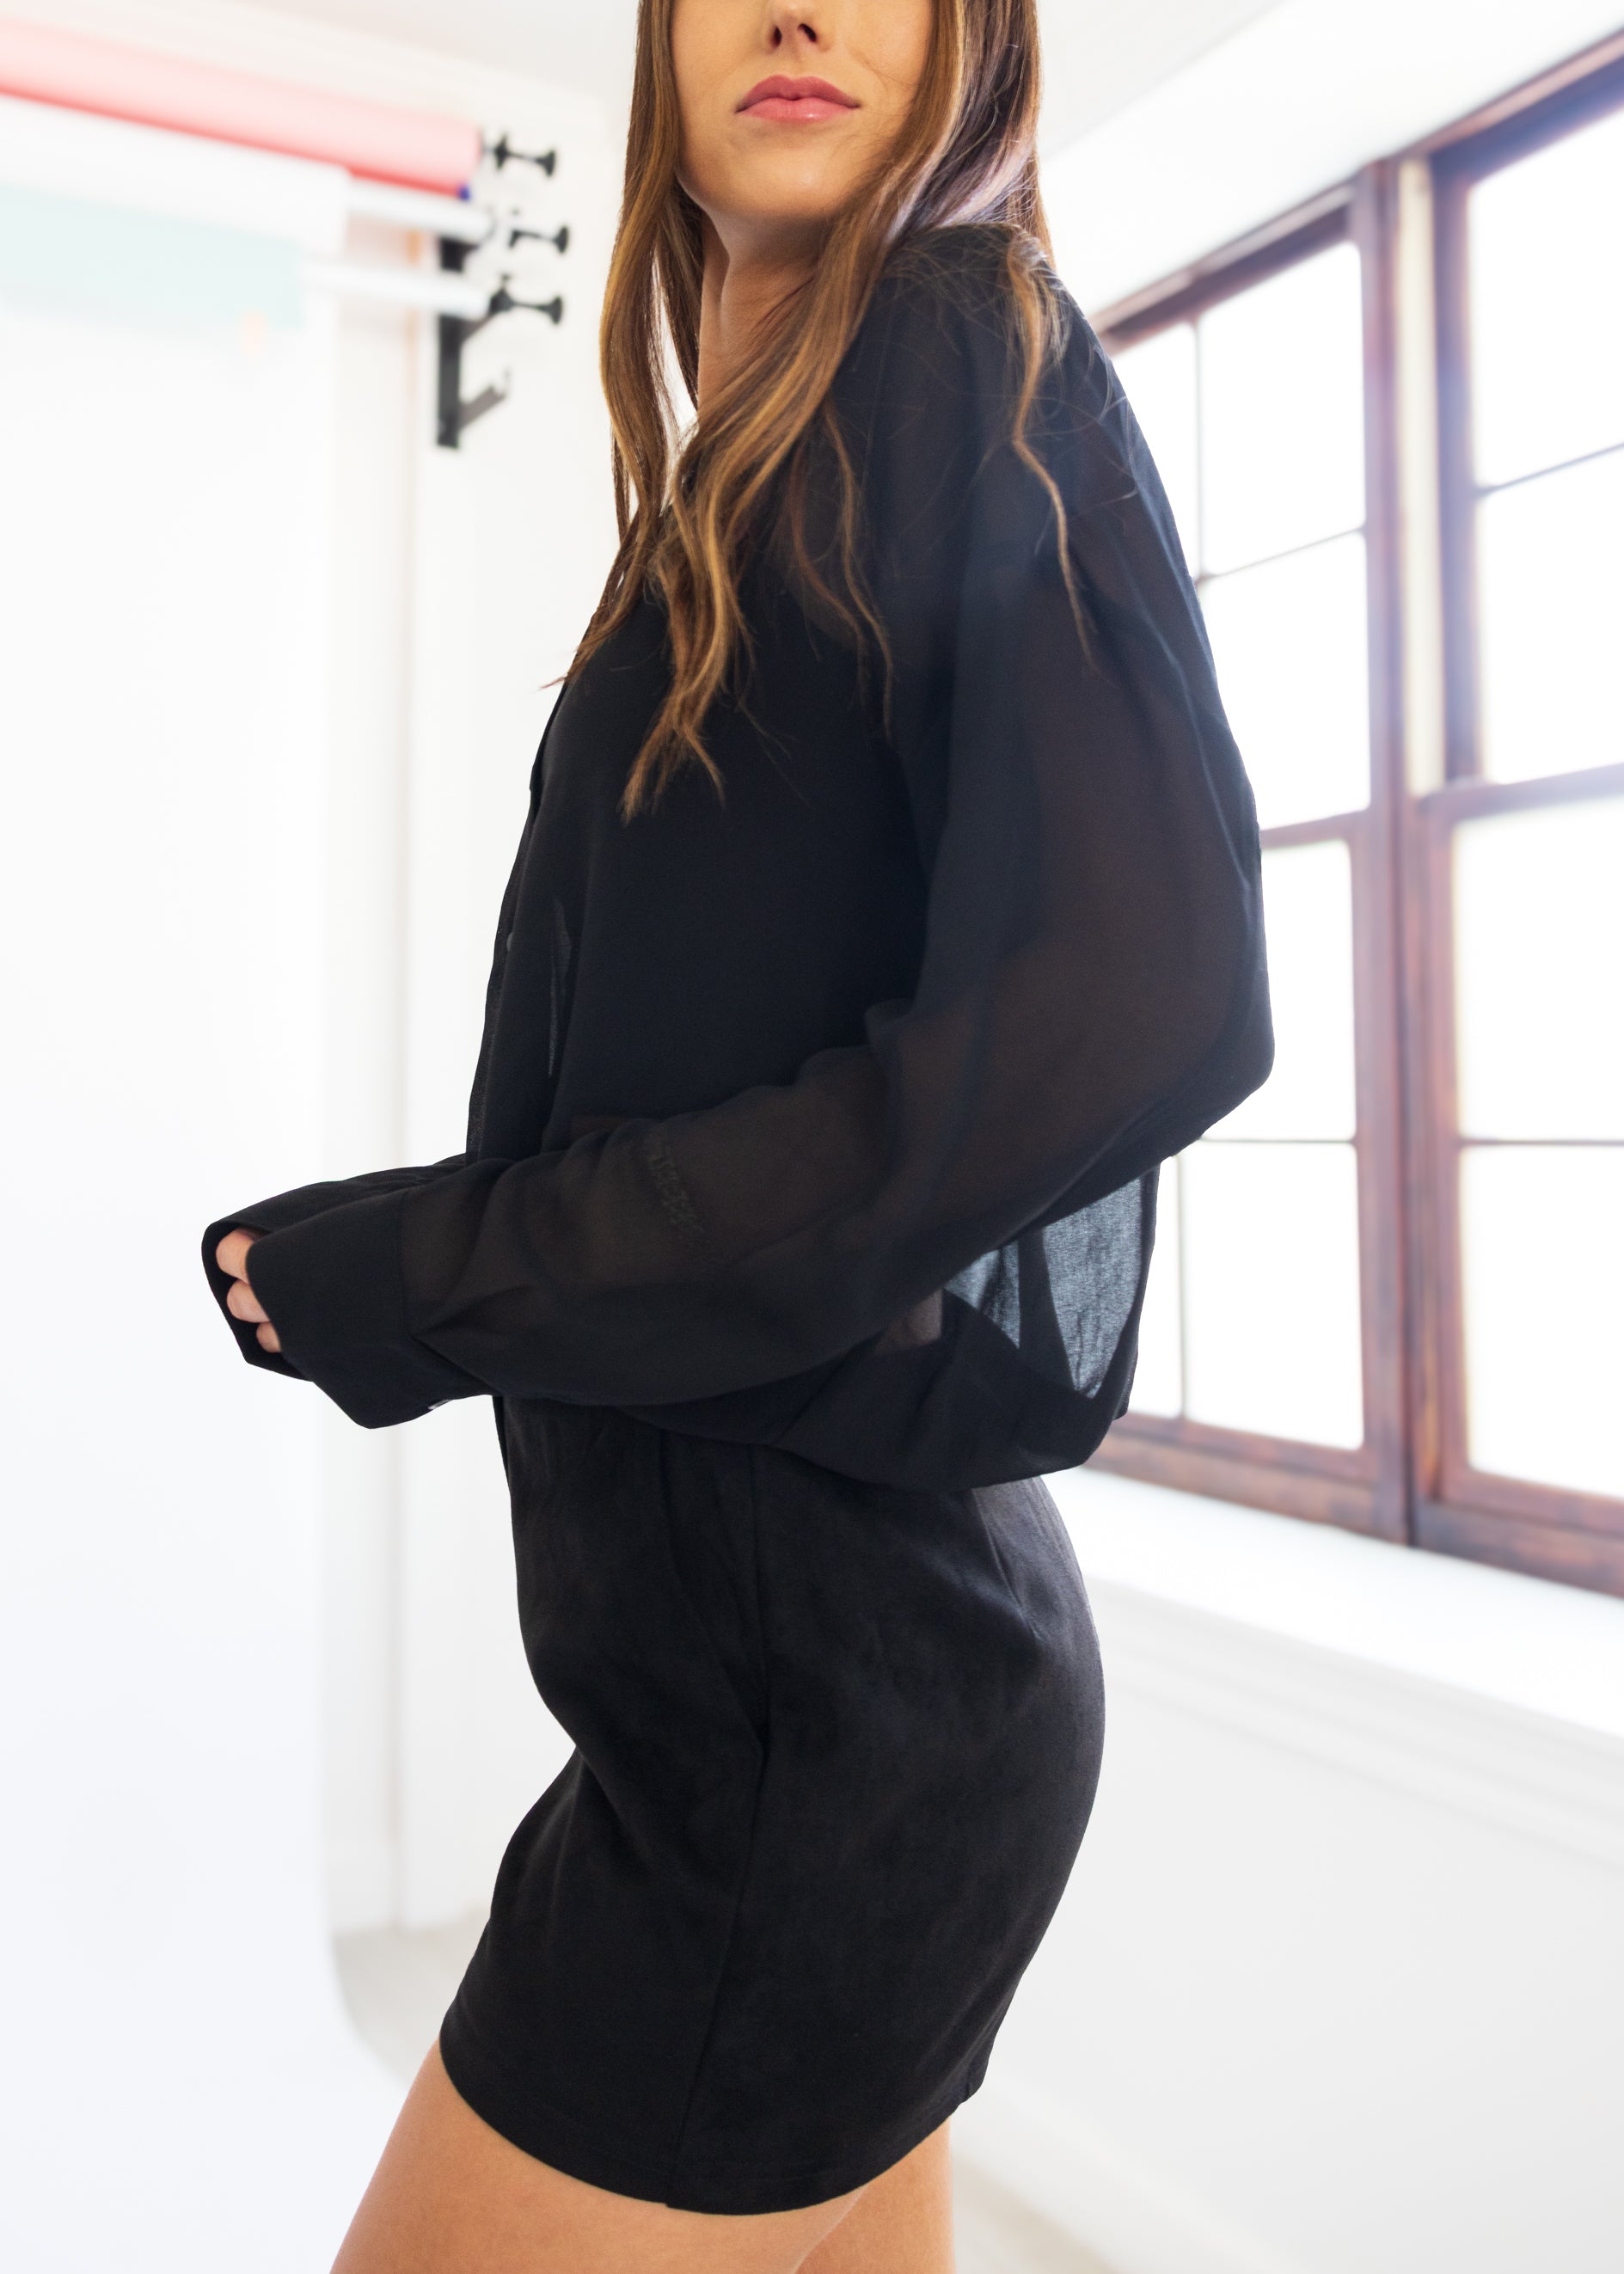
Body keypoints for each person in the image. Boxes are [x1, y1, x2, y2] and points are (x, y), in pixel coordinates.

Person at [203, 1, 1271, 2266]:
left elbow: (1139, 992)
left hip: (815, 1740)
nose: (793, 8)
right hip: (841, 1702)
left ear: (974, 44)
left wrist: (423, 1270)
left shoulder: (955, 341)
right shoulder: (766, 479)